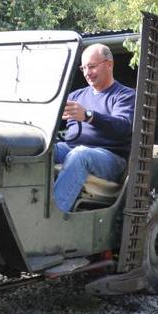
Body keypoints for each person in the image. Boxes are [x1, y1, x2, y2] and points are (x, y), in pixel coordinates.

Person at [54, 43, 135, 212]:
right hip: (70, 148)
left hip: (111, 158)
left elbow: (123, 127)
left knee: (80, 154)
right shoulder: (76, 96)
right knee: (43, 149)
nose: (87, 73)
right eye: (83, 68)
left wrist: (88, 116)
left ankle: (52, 216)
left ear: (109, 64)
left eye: (91, 67)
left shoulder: (125, 95)